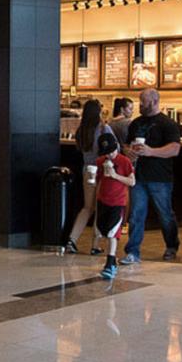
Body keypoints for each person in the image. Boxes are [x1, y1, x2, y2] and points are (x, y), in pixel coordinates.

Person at [122, 88, 182, 263]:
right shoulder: (135, 123)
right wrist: (128, 152)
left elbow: (175, 149)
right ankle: (132, 251)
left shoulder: (168, 124)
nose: (140, 105)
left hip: (160, 177)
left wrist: (151, 151)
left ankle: (171, 246)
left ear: (155, 101)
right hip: (138, 176)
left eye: (143, 101)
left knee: (165, 214)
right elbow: (126, 145)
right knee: (135, 215)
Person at [66, 98, 112, 255]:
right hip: (101, 169)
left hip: (87, 169)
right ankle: (95, 245)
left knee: (87, 207)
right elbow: (114, 148)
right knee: (99, 207)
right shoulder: (104, 128)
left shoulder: (82, 130)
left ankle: (72, 239)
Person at [95, 135, 135, 281]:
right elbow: (98, 180)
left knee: (113, 232)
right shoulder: (100, 162)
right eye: (106, 152)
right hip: (103, 200)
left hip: (118, 202)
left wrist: (115, 176)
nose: (109, 155)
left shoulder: (124, 162)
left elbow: (132, 181)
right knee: (104, 230)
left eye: (111, 151)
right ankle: (111, 261)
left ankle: (110, 262)